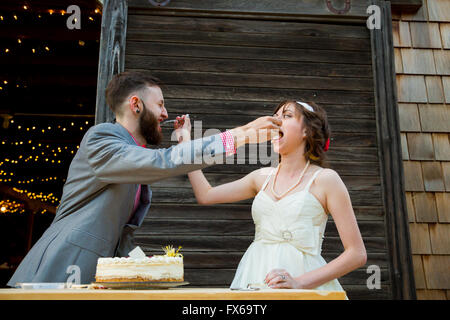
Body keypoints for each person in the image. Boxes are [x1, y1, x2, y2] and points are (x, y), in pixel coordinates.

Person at [7, 71, 282, 286]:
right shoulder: (101, 139)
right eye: (160, 104)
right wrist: (240, 134)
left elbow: (118, 233)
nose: (165, 113)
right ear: (136, 104)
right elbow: (163, 161)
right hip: (61, 270)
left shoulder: (132, 154)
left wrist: (147, 267)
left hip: (95, 277)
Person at [184, 100, 367, 293]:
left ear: (307, 131)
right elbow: (206, 194)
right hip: (254, 275)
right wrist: (184, 142)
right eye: (276, 116)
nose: (276, 121)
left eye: (287, 116)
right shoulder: (260, 177)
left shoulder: (325, 179)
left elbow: (357, 254)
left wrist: (299, 282)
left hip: (304, 284)